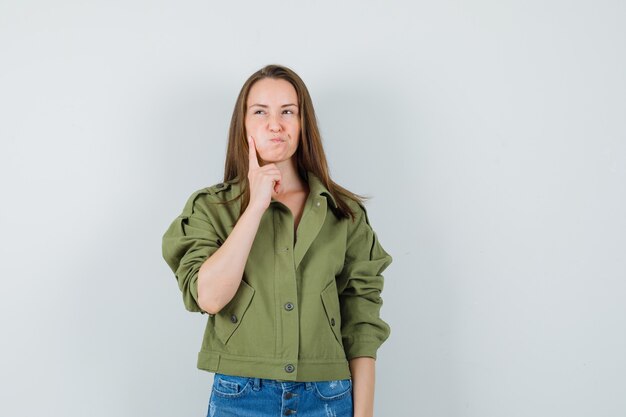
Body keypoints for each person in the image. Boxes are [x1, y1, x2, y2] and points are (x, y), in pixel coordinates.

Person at [161, 64, 392, 417]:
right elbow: (208, 297)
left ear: (303, 124)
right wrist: (255, 206)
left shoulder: (343, 214)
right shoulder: (210, 208)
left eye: (288, 111)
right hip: (241, 397)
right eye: (260, 112)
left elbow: (362, 323)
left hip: (328, 398)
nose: (275, 124)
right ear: (244, 125)